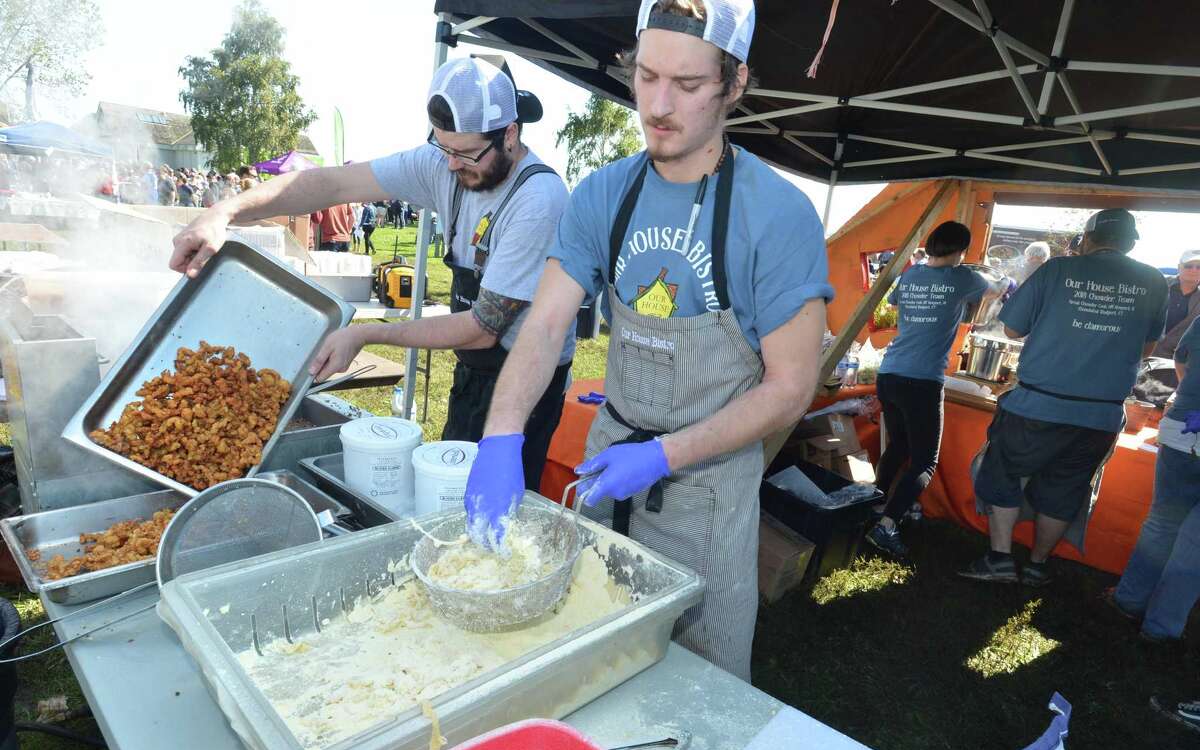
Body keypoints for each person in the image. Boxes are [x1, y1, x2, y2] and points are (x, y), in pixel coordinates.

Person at [463, 0, 831, 681]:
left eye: (688, 86)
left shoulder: (778, 216)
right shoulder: (604, 194)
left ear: (735, 84)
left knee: (702, 682)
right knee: (592, 659)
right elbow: (544, 324)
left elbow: (789, 388)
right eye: (647, 76)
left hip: (707, 491)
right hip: (608, 469)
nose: (658, 105)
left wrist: (667, 453)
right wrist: (502, 434)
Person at [168, 56, 572, 488]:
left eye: (466, 153)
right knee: (455, 493)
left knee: (500, 509)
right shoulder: (445, 163)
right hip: (474, 370)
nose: (452, 165)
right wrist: (223, 211)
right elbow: (333, 184)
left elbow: (483, 327)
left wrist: (366, 332)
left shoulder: (538, 200)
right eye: (444, 148)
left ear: (510, 134)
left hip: (526, 384)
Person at [961, 209, 1168, 586]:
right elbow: (1147, 346)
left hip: (1038, 404)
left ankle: (1000, 559)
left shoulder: (1057, 270)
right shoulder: (1154, 281)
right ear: (1131, 242)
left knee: (1003, 469)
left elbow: (1011, 326)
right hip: (1100, 416)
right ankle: (1038, 566)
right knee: (1066, 487)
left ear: (1086, 239)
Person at [866, 222, 990, 559]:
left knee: (900, 445)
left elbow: (894, 302)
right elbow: (995, 286)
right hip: (921, 381)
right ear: (961, 250)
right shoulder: (964, 277)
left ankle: (875, 504)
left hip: (889, 373)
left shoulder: (910, 275)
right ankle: (887, 525)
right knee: (924, 462)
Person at [1107, 314, 1200, 642]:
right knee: (1194, 540)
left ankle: (1129, 600)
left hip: (1185, 425)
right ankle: (1159, 627)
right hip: (1187, 426)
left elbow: (1182, 359)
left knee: (1163, 522)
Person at [1151, 249, 1200, 358]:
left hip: (1175, 362)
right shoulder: (1156, 284)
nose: (1194, 270)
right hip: (1141, 354)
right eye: (1188, 265)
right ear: (1179, 267)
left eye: (1199, 267)